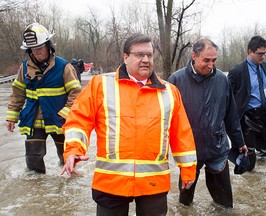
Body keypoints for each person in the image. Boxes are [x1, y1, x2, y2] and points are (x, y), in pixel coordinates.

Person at [60, 33, 197, 216]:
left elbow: (182, 134)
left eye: (149, 55)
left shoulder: (170, 92)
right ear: (126, 57)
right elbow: (78, 120)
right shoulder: (100, 85)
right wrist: (74, 150)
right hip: (111, 182)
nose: (146, 60)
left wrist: (188, 170)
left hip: (153, 183)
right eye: (139, 55)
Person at [168, 38, 248, 208]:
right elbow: (166, 119)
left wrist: (239, 142)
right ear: (194, 56)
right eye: (206, 60)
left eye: (214, 60)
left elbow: (231, 115)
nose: (211, 65)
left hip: (217, 147)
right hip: (189, 151)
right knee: (185, 204)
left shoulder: (222, 80)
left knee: (225, 205)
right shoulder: (176, 80)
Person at [5, 23, 82, 174]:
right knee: (33, 161)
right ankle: (37, 190)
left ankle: (67, 183)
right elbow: (17, 93)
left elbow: (76, 93)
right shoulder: (25, 68)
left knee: (66, 158)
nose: (36, 53)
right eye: (33, 50)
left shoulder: (63, 66)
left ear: (48, 46)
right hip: (34, 121)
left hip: (59, 120)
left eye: (39, 48)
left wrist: (65, 113)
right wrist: (12, 117)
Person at [228, 36, 266, 167]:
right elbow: (228, 98)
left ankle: (265, 184)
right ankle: (248, 176)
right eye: (259, 54)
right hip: (247, 116)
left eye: (264, 53)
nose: (262, 57)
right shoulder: (237, 71)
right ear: (250, 52)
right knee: (249, 156)